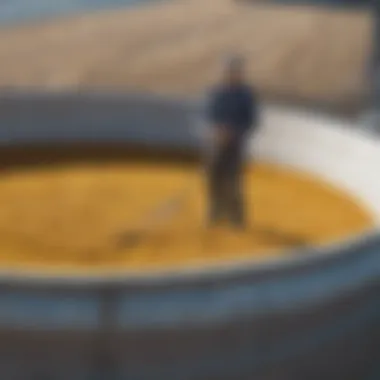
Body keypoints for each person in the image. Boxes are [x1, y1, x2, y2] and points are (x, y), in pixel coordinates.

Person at [204, 55, 259, 229]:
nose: (231, 74)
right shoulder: (217, 93)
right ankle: (216, 211)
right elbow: (210, 116)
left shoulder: (245, 95)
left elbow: (251, 120)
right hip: (216, 143)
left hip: (236, 145)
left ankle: (236, 218)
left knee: (233, 181)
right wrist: (217, 131)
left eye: (234, 71)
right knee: (214, 177)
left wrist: (235, 131)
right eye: (228, 71)